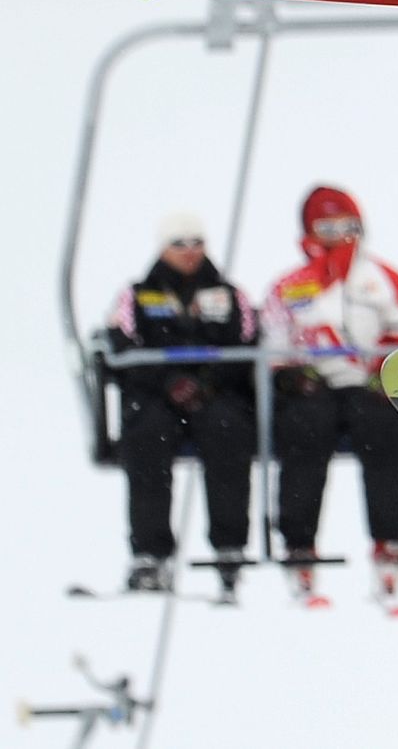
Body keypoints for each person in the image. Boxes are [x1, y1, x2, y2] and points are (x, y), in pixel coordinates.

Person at [262, 185, 398, 600]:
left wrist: (394, 373)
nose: (338, 236)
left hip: (366, 384)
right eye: (327, 227)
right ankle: (299, 544)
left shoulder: (381, 279)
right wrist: (290, 376)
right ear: (310, 231)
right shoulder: (290, 286)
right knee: (305, 430)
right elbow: (272, 340)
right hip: (312, 387)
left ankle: (389, 542)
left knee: (380, 429)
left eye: (347, 226)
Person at [106, 210, 256, 596]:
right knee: (147, 436)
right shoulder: (137, 295)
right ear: (163, 248)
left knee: (228, 430)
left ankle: (229, 547)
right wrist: (169, 382)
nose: (189, 251)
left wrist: (208, 383)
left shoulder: (229, 295)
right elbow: (122, 346)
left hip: (215, 394)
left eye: (196, 243)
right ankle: (150, 554)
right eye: (179, 244)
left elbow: (247, 344)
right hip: (157, 395)